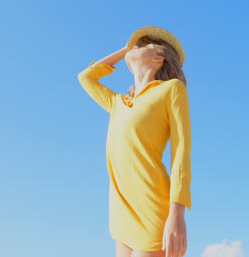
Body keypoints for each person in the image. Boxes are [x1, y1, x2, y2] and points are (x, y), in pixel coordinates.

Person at [78, 27, 191, 257]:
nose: (137, 46)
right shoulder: (118, 103)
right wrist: (128, 50)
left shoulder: (171, 90)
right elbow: (86, 77)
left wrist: (177, 214)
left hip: (153, 209)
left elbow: (181, 152)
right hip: (121, 213)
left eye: (145, 45)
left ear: (159, 58)